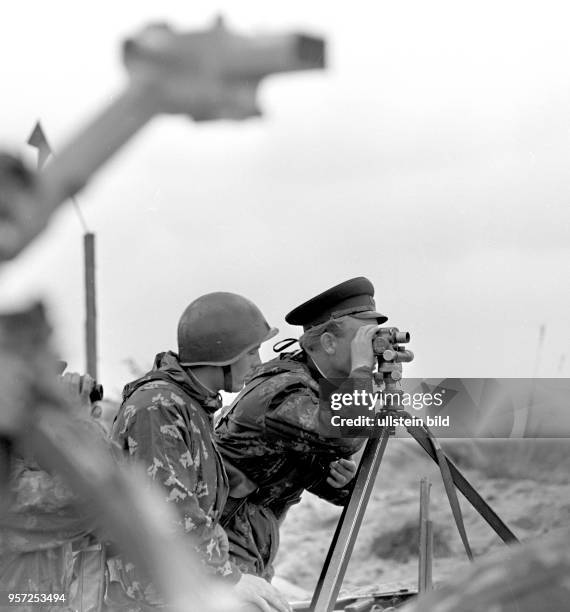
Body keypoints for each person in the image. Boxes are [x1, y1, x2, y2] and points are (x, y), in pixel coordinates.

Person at [109, 292, 291, 612]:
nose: (258, 363)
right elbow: (168, 507)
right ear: (223, 354)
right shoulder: (158, 406)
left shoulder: (191, 405)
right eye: (251, 351)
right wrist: (229, 577)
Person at [215, 277, 386, 580]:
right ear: (329, 343)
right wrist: (361, 371)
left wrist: (337, 482)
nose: (370, 350)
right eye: (362, 340)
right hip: (221, 546)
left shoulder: (320, 387)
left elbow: (292, 463)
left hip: (249, 539)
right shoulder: (282, 391)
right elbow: (345, 436)